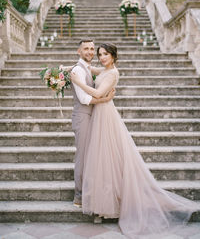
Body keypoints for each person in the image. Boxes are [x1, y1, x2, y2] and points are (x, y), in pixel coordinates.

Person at [70, 43, 199, 239]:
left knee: (109, 156)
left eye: (106, 54)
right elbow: (89, 68)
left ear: (114, 56)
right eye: (100, 54)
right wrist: (67, 69)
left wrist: (77, 82)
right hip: (99, 115)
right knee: (101, 159)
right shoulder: (103, 69)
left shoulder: (113, 73)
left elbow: (97, 93)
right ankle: (102, 200)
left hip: (105, 115)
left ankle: (112, 201)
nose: (102, 57)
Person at [67, 39, 114, 209]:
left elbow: (106, 69)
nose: (90, 52)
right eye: (86, 49)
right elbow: (84, 99)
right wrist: (106, 99)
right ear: (78, 51)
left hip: (92, 116)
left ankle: (90, 191)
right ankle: (79, 196)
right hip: (82, 116)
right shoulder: (78, 70)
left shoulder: (84, 68)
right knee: (83, 156)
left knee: (91, 156)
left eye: (92, 49)